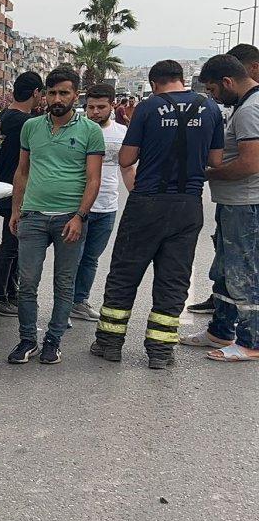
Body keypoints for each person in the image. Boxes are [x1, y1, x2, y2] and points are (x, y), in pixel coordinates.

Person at [92, 61, 223, 368]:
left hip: (147, 203)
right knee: (173, 279)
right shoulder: (210, 108)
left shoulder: (148, 108)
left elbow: (126, 158)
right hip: (188, 204)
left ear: (153, 84)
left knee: (125, 273)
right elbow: (216, 160)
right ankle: (160, 351)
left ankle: (110, 344)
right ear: (181, 79)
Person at [7, 67, 105, 365]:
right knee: (27, 282)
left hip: (69, 219)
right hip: (33, 216)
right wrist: (16, 210)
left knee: (64, 284)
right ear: (45, 96)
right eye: (52, 93)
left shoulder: (90, 130)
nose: (57, 98)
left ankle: (53, 341)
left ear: (76, 95)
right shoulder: (31, 127)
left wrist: (80, 216)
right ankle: (27, 340)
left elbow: (94, 180)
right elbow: (22, 171)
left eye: (64, 92)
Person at [179, 55, 259, 363]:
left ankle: (252, 342)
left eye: (213, 90)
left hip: (246, 205)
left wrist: (207, 173)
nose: (213, 97)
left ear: (227, 82)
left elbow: (250, 163)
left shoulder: (250, 110)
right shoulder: (244, 105)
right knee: (225, 271)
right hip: (233, 203)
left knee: (244, 273)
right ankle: (221, 330)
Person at [70, 84, 135, 323]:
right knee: (71, 259)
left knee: (91, 259)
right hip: (78, 207)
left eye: (101, 107)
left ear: (112, 106)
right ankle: (63, 306)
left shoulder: (122, 132)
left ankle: (79, 302)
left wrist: (138, 199)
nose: (95, 112)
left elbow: (127, 169)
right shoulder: (76, 129)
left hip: (108, 207)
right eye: (91, 107)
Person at [0, 72, 45, 317]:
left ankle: (10, 292)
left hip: (5, 184)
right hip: (17, 189)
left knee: (14, 245)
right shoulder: (25, 122)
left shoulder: (4, 116)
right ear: (35, 92)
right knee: (11, 246)